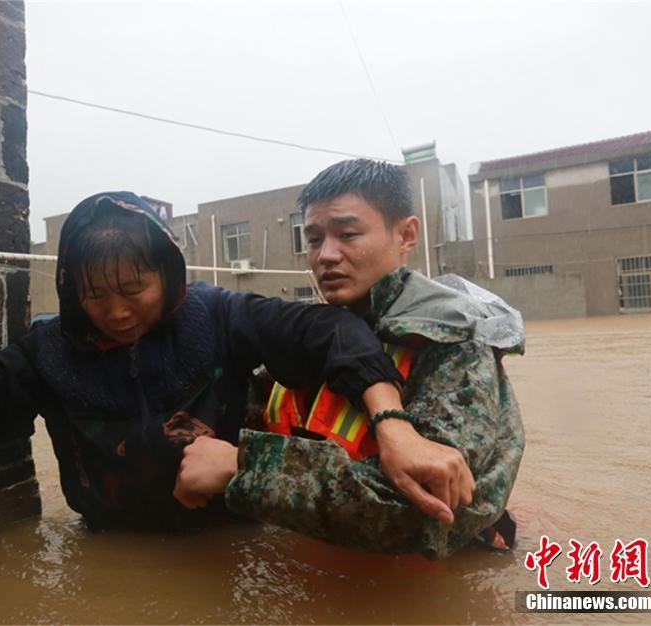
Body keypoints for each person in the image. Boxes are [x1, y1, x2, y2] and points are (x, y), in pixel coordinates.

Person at [0, 191, 473, 532]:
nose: (117, 311)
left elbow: (333, 336)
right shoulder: (49, 348)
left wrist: (395, 427)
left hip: (230, 537)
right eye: (94, 294)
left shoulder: (221, 316)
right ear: (72, 291)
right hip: (110, 544)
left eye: (134, 289)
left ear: (169, 274)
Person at [174, 160, 525, 558]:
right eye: (313, 239)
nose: (326, 255)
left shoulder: (452, 343)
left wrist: (245, 468)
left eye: (348, 234)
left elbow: (432, 516)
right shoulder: (300, 338)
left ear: (406, 235)